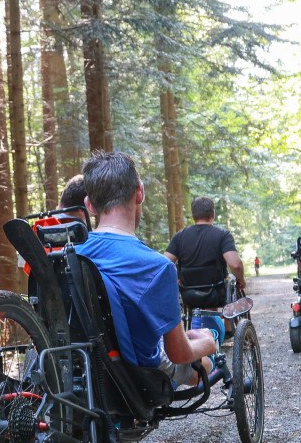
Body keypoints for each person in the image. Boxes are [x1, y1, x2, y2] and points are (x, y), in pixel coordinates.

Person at [77, 152, 217, 388]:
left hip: (86, 371)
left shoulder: (72, 259)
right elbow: (179, 354)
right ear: (139, 192)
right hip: (140, 378)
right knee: (207, 361)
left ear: (89, 205)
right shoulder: (157, 267)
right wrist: (209, 342)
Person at [164, 197, 247, 300]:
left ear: (193, 215)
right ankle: (219, 316)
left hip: (188, 294)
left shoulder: (179, 236)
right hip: (217, 293)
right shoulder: (223, 235)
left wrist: (175, 279)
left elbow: (164, 264)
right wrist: (241, 280)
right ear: (213, 214)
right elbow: (235, 265)